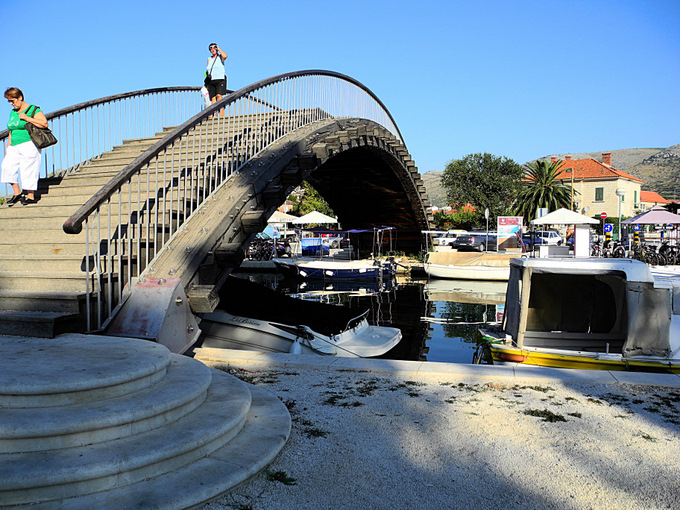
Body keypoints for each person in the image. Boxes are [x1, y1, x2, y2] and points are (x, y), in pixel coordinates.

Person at [1, 87, 48, 206]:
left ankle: (30, 196)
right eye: (9, 101)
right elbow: (11, 130)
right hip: (14, 145)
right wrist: (8, 146)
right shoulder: (13, 112)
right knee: (6, 167)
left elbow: (44, 124)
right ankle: (17, 192)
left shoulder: (33, 109)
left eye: (13, 100)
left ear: (20, 97)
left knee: (28, 168)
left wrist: (27, 118)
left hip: (29, 143)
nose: (11, 103)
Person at [206, 43, 228, 113]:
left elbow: (225, 56)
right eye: (211, 48)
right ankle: (214, 114)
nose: (212, 49)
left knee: (219, 95)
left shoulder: (220, 57)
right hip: (211, 80)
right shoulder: (209, 59)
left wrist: (218, 48)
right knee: (213, 98)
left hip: (220, 79)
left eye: (214, 47)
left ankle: (221, 112)